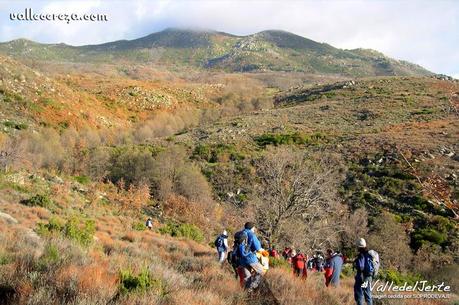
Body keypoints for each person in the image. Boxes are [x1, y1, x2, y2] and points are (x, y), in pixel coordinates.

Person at [237, 222, 266, 291]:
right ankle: (253, 286)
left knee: (247, 276)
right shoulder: (251, 234)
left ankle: (246, 292)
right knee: (261, 271)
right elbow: (257, 247)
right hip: (250, 258)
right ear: (252, 228)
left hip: (241, 258)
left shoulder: (240, 233)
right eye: (254, 228)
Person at [354, 238, 373, 305]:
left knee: (359, 295)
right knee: (368, 296)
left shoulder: (361, 255)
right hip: (369, 277)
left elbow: (360, 267)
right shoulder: (369, 255)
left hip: (362, 277)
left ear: (359, 247)